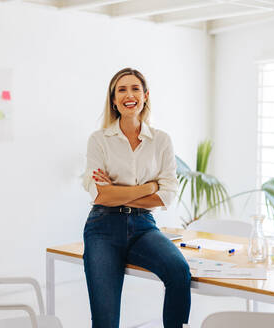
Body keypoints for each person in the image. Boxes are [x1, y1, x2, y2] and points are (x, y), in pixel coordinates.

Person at [81, 68, 191, 328]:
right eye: (121, 90)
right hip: (102, 228)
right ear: (113, 100)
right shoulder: (99, 140)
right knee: (105, 319)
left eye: (135, 89)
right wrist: (147, 188)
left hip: (144, 226)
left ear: (145, 96)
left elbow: (166, 195)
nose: (129, 95)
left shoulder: (161, 140)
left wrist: (117, 193)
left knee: (179, 272)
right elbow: (99, 194)